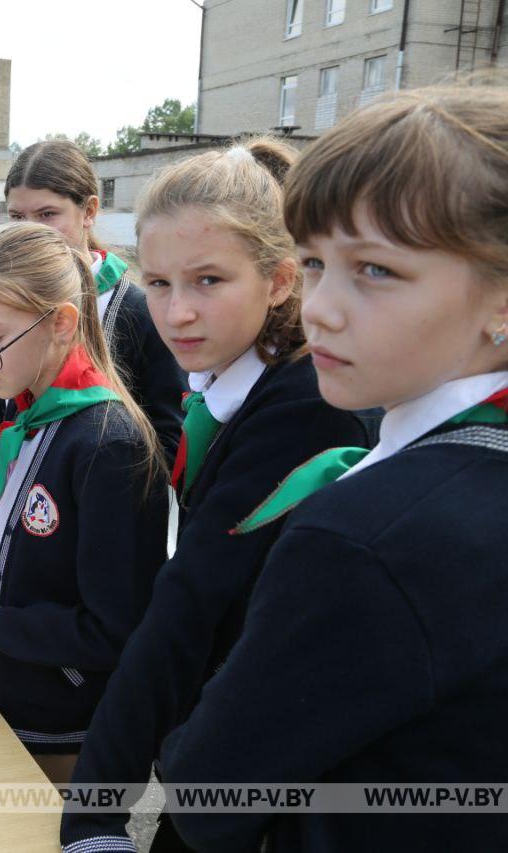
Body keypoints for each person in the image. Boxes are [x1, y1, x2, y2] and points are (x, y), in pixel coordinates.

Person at [159, 85, 508, 853]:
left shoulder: (367, 535)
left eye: (376, 270)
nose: (320, 308)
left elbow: (206, 792)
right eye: (315, 262)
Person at [60, 138, 372, 852]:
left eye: (208, 281)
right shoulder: (227, 381)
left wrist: (94, 817)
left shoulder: (303, 411)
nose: (177, 314)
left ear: (281, 279)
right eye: (159, 283)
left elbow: (189, 601)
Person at [0, 223, 167, 782]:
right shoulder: (32, 408)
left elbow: (115, 629)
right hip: (8, 697)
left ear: (61, 324)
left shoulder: (107, 445)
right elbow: (5, 517)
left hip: (62, 730)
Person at [0, 140, 186, 470]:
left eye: (47, 214)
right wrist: (3, 448)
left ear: (89, 211)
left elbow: (170, 443)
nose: (30, 230)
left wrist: (65, 466)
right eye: (17, 216)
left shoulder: (139, 310)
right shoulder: (4, 302)